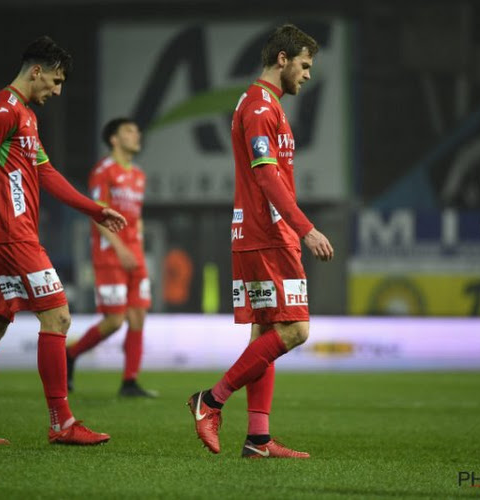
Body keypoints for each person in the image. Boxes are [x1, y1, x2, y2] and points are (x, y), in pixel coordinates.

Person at [0, 36, 127, 446]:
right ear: (37, 71)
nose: (57, 91)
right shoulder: (2, 110)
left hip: (4, 235)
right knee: (57, 317)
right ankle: (62, 422)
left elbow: (46, 173)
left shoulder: (25, 116)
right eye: (56, 81)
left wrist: (95, 209)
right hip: (10, 234)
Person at [187, 24, 334, 458]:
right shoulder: (257, 106)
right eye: (305, 66)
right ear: (283, 59)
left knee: (267, 331)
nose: (308, 75)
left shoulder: (267, 105)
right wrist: (305, 228)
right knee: (295, 331)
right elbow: (266, 175)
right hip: (267, 233)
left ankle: (258, 439)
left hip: (266, 232)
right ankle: (210, 400)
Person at [65, 118, 156, 397]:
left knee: (138, 315)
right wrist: (120, 248)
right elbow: (98, 215)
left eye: (136, 129)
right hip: (110, 254)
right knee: (115, 320)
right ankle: (70, 354)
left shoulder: (138, 175)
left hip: (135, 253)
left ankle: (129, 382)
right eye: (129, 130)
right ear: (114, 139)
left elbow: (134, 214)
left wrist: (137, 240)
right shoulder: (104, 171)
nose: (136, 134)